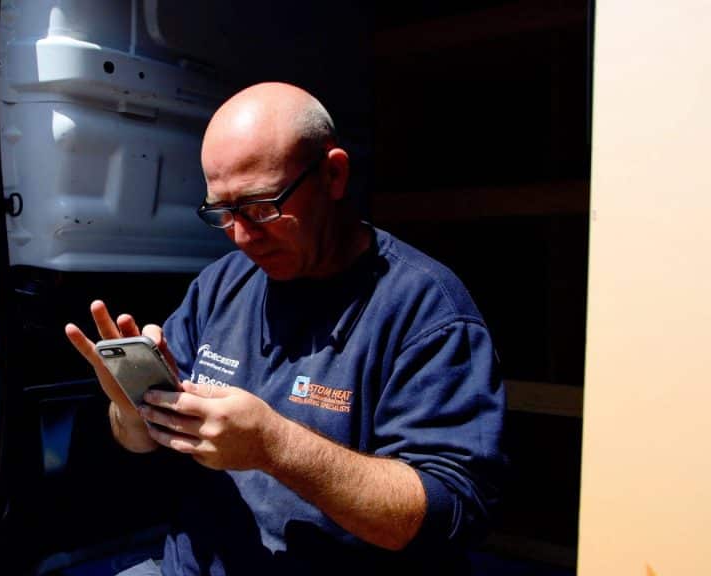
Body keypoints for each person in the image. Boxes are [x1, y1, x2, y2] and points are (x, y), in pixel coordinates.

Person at [65, 82, 506, 575]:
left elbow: (447, 514)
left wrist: (275, 447)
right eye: (222, 212)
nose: (241, 236)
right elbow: (140, 443)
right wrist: (131, 412)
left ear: (334, 174)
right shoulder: (220, 285)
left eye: (260, 208)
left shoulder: (425, 310)